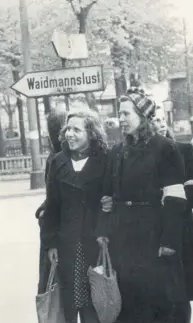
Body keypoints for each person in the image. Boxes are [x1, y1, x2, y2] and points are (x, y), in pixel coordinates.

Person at [98, 87, 189, 323]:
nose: (121, 119)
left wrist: (169, 242)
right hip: (124, 238)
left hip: (154, 235)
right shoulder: (117, 152)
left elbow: (176, 198)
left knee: (158, 303)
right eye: (120, 114)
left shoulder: (164, 148)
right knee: (129, 304)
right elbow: (110, 193)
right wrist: (108, 207)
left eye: (126, 114)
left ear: (143, 116)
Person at [40, 108, 110, 323]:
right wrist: (51, 243)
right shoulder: (58, 161)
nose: (69, 134)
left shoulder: (106, 159)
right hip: (66, 243)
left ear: (91, 133)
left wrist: (105, 232)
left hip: (97, 242)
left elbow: (112, 199)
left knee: (97, 303)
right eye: (67, 129)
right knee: (68, 303)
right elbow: (51, 206)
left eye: (76, 130)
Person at [152, 106, 193, 322]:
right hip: (153, 230)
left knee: (180, 293)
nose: (158, 125)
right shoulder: (146, 155)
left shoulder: (184, 150)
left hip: (181, 230)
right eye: (153, 120)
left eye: (160, 120)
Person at [35, 108, 66, 294]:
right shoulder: (56, 157)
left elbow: (55, 196)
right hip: (56, 226)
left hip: (55, 228)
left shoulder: (56, 158)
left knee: (52, 284)